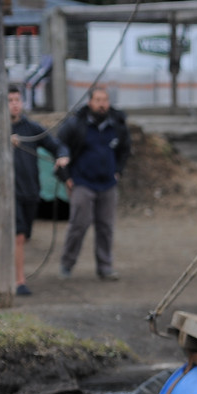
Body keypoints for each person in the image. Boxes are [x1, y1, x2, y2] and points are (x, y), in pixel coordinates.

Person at [55, 85, 131, 281]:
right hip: (82, 183)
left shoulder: (117, 125)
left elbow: (125, 150)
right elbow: (60, 145)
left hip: (107, 184)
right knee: (78, 225)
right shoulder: (76, 124)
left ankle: (105, 267)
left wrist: (118, 172)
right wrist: (66, 176)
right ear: (90, 102)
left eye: (104, 100)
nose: (101, 105)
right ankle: (67, 264)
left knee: (106, 227)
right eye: (97, 100)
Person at [8, 86, 68, 296]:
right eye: (9, 100)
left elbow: (56, 145)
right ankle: (19, 281)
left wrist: (62, 156)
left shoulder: (31, 128)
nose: (14, 104)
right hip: (7, 193)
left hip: (30, 190)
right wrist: (3, 142)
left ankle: (12, 274)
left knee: (24, 236)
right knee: (18, 236)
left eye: (17, 99)